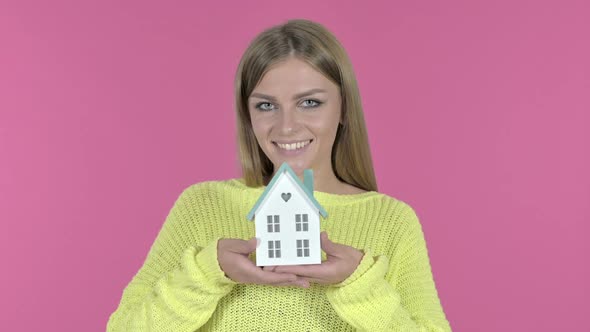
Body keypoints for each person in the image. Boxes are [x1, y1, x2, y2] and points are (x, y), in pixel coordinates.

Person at [107, 19, 451, 331]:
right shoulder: (202, 206)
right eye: (266, 105)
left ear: (344, 108)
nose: (287, 126)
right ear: (248, 115)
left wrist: (359, 283)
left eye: (310, 103)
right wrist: (207, 272)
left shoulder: (391, 221)